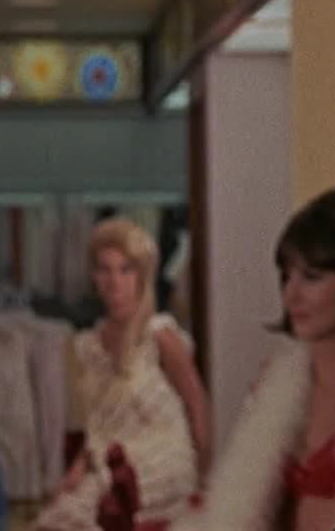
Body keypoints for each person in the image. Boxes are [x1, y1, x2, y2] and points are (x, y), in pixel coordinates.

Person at [172, 187, 335, 531]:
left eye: (311, 277)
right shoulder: (278, 383)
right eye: (287, 275)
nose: (291, 294)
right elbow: (237, 508)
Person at [35, 217, 209, 530]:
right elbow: (99, 425)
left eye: (125, 270)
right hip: (110, 464)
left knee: (88, 515)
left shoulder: (159, 335)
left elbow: (197, 405)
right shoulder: (88, 346)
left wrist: (207, 481)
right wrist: (76, 470)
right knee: (53, 516)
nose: (114, 281)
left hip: (165, 460)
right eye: (105, 270)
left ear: (141, 276)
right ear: (94, 276)